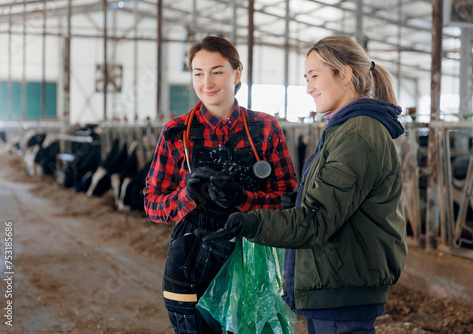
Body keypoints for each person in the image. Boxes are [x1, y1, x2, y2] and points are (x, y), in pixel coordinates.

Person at [206, 35, 408, 334]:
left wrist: (249, 223)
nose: (308, 87)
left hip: (343, 289)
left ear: (345, 75)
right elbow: (323, 205)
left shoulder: (357, 134)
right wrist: (279, 201)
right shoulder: (343, 130)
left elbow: (317, 221)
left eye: (314, 76)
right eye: (306, 77)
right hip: (337, 283)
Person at [143, 36, 297, 334]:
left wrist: (244, 199)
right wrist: (186, 196)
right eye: (198, 73)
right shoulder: (177, 132)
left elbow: (286, 200)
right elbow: (152, 205)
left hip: (254, 265)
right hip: (191, 265)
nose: (207, 82)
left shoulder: (265, 128)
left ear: (237, 74)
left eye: (217, 71)